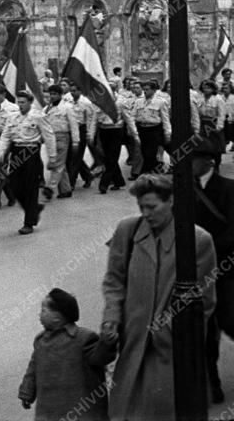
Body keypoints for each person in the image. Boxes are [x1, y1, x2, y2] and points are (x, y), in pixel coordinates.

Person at [101, 174, 216, 421]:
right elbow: (114, 281)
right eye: (141, 207)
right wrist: (111, 318)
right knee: (126, 410)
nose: (146, 213)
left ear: (172, 200)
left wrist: (171, 331)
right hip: (132, 342)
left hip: (172, 350)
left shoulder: (198, 240)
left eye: (152, 207)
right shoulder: (127, 230)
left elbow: (204, 300)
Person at [18, 288, 116, 421]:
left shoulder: (84, 338)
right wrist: (27, 392)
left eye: (43, 310)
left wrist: (107, 343)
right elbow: (33, 369)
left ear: (57, 317)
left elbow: (99, 358)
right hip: (48, 409)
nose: (39, 314)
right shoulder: (40, 342)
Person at [192, 153, 234, 403]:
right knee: (204, 331)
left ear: (208, 161)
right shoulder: (182, 189)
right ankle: (212, 384)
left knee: (230, 319)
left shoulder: (229, 189)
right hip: (196, 272)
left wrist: (205, 251)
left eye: (192, 159)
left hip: (226, 269)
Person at [0, 91, 56, 235]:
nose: (20, 105)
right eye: (19, 102)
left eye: (23, 102)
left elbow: (49, 136)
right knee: (13, 185)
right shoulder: (13, 117)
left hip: (31, 152)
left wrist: (52, 156)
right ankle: (34, 209)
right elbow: (6, 135)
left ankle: (28, 223)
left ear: (30, 103)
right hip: (17, 151)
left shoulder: (38, 117)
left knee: (30, 188)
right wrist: (1, 151)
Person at [87, 86, 137, 194]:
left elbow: (129, 119)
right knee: (107, 157)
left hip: (116, 131)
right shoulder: (100, 103)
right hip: (103, 131)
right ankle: (118, 181)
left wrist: (135, 135)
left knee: (112, 158)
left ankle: (104, 184)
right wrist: (91, 135)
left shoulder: (121, 102)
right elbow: (94, 120)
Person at [43, 85, 78, 200]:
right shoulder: (47, 108)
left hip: (62, 136)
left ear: (60, 95)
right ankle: (66, 190)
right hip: (50, 139)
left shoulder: (67, 107)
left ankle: (50, 188)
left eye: (54, 94)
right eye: (50, 94)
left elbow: (73, 124)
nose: (52, 97)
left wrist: (75, 142)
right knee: (60, 163)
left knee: (57, 163)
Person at [133, 80, 170, 176]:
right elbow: (133, 116)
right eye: (144, 89)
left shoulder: (161, 102)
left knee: (150, 153)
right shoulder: (138, 101)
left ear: (154, 90)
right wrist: (132, 129)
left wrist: (167, 133)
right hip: (142, 129)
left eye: (147, 90)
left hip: (154, 130)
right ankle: (157, 169)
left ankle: (144, 174)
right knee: (144, 153)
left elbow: (165, 119)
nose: (145, 91)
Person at [67, 83, 96, 188]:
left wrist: (89, 135)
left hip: (81, 130)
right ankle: (88, 175)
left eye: (74, 90)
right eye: (71, 90)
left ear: (80, 91)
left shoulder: (86, 103)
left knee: (76, 157)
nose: (72, 92)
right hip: (70, 130)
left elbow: (90, 120)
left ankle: (71, 183)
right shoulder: (68, 101)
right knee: (73, 156)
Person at [118, 79, 144, 178]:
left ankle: (137, 171)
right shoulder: (129, 99)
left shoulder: (145, 98)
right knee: (134, 148)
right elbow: (128, 114)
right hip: (132, 125)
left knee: (139, 149)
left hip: (142, 125)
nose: (135, 90)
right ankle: (136, 169)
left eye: (137, 88)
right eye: (133, 88)